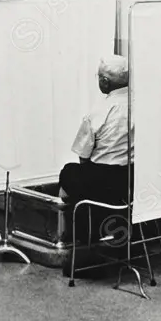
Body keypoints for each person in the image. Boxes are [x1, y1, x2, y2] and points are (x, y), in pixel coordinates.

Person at [58, 55, 132, 212]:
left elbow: (83, 156)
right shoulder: (141, 105)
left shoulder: (98, 111)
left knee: (68, 171)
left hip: (103, 181)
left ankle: (75, 226)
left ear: (105, 81)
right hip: (132, 179)